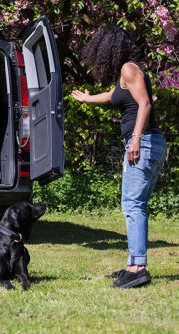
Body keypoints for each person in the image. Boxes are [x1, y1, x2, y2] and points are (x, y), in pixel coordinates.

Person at [71, 27, 167, 289]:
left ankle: (138, 268)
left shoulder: (129, 69)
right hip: (148, 143)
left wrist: (135, 138)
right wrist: (88, 99)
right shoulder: (126, 74)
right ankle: (131, 266)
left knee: (133, 205)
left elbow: (145, 103)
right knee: (133, 205)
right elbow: (113, 97)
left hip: (144, 143)